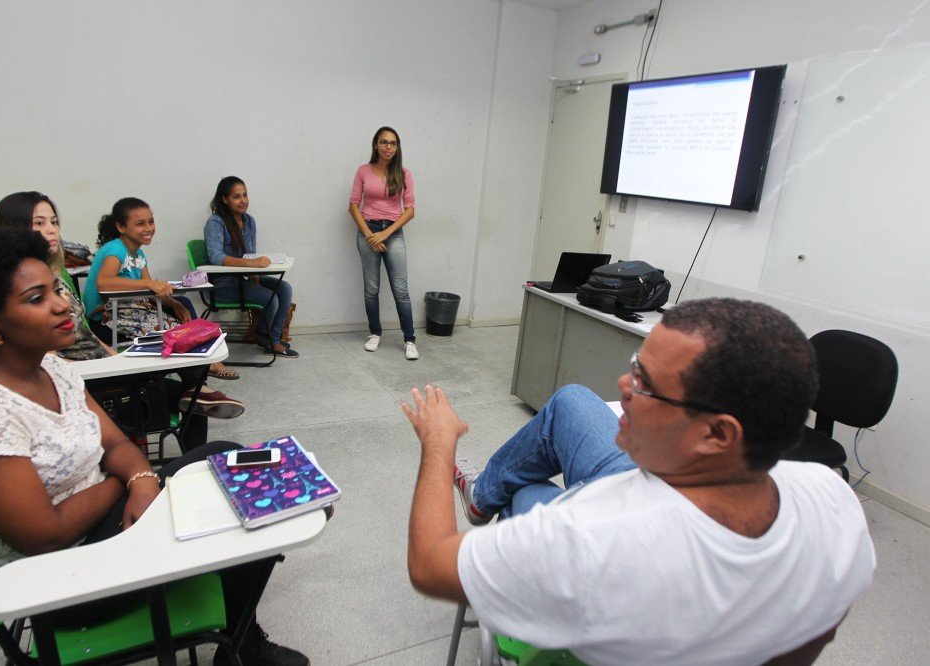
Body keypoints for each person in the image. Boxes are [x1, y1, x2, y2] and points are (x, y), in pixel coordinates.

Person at [402, 298, 876, 665]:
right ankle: (484, 498)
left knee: (525, 491)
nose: (624, 387)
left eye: (645, 384)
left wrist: (437, 442)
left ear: (717, 433)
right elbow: (823, 630)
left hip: (617, 533)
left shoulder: (594, 540)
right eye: (635, 367)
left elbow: (428, 564)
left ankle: (486, 497)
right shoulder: (831, 497)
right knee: (571, 402)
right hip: (663, 493)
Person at [0, 228, 308, 666]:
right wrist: (126, 482)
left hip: (103, 529)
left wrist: (142, 478)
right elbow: (44, 533)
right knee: (238, 506)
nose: (60, 304)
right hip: (62, 583)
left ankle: (243, 631)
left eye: (55, 289)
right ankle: (243, 640)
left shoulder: (51, 366)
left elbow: (112, 440)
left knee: (223, 458)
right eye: (36, 299)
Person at [0, 191, 242, 432]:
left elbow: (86, 335)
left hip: (101, 361)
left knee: (189, 380)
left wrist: (115, 358)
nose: (52, 229)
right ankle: (199, 385)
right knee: (173, 348)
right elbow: (46, 358)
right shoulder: (20, 289)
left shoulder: (58, 275)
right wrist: (109, 368)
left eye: (54, 222)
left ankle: (198, 389)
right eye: (39, 223)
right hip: (93, 359)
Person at [83, 196, 240, 381]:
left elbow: (150, 289)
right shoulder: (115, 250)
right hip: (104, 318)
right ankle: (196, 383)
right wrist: (149, 283)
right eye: (140, 224)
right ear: (121, 227)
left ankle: (203, 367)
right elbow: (105, 282)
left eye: (151, 221)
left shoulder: (138, 253)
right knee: (173, 331)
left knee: (183, 303)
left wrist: (173, 304)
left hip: (129, 309)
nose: (148, 228)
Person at [204, 176, 298, 358]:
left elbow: (250, 252)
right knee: (270, 297)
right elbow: (216, 257)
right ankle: (270, 340)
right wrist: (250, 264)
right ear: (225, 199)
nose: (243, 201)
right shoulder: (215, 222)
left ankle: (271, 337)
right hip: (222, 284)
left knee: (284, 288)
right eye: (237, 196)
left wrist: (254, 273)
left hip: (243, 277)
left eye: (245, 195)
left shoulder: (249, 221)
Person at [348, 126, 418, 360]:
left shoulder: (404, 173)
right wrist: (370, 235)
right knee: (371, 288)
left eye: (393, 143)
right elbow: (353, 206)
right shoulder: (363, 171)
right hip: (367, 230)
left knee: (401, 289)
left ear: (397, 147)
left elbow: (409, 211)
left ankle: (409, 339)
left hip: (392, 232)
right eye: (384, 142)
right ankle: (375, 333)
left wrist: (385, 234)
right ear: (376, 145)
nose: (389, 147)